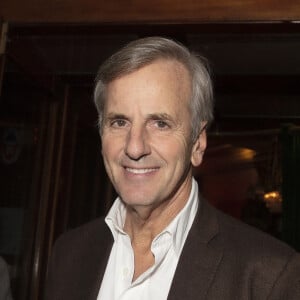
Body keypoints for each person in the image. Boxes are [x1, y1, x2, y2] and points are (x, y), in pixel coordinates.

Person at [45, 37, 300, 300]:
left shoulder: (269, 276)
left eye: (160, 124)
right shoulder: (69, 254)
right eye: (119, 122)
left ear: (197, 144)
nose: (135, 147)